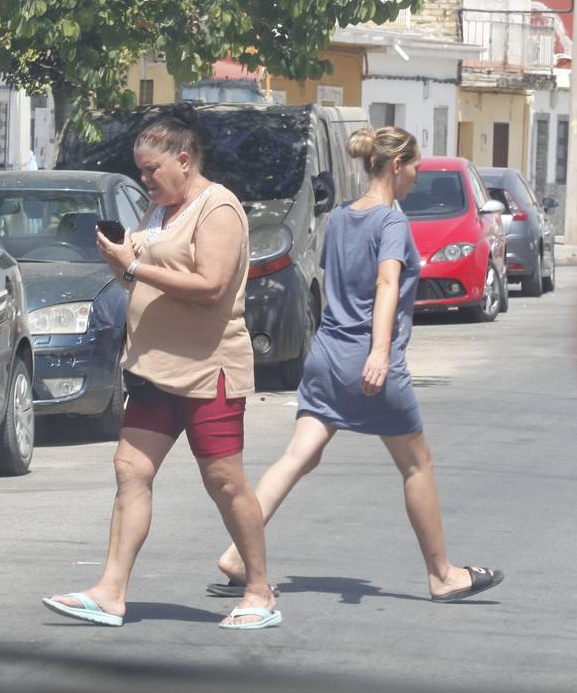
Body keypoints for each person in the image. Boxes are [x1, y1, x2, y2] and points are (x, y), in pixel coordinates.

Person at [212, 126, 504, 604]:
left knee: (297, 457)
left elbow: (335, 280)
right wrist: (380, 351)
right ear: (395, 166)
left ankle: (237, 555)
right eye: (414, 166)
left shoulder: (342, 217)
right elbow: (387, 284)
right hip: (367, 361)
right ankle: (442, 574)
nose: (415, 175)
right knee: (417, 465)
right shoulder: (391, 223)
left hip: (326, 355)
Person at [42, 108, 281, 629]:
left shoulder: (218, 208)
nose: (145, 179)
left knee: (223, 479)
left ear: (183, 158)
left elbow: (212, 286)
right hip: (152, 367)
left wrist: (133, 265)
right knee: (130, 470)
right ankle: (110, 591)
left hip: (206, 367)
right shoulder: (159, 212)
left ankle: (259, 590)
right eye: (141, 170)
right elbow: (150, 280)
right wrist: (123, 265)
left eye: (152, 169)